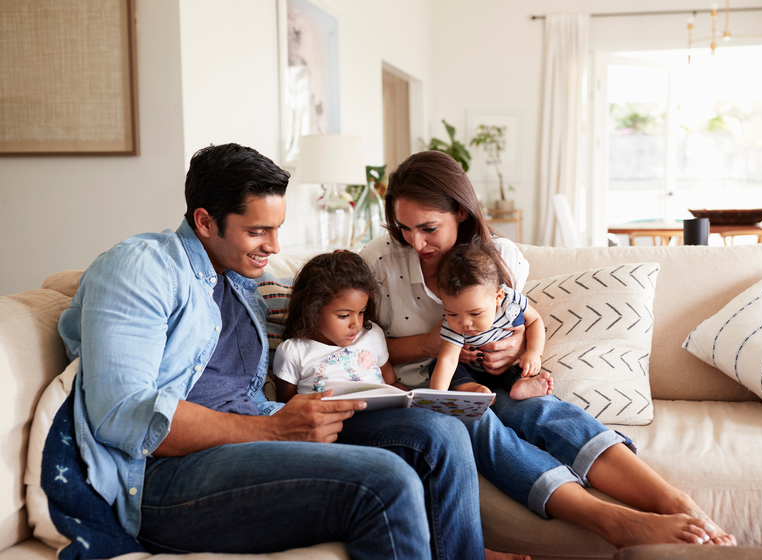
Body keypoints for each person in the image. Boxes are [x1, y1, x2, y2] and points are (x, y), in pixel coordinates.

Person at [58, 143, 517, 560]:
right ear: (203, 221)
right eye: (258, 231)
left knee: (441, 433)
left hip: (262, 428)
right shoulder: (142, 267)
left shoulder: (239, 281)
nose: (274, 248)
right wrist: (274, 428)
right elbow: (120, 414)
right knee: (386, 481)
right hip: (167, 476)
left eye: (277, 230)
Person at [360, 150, 738, 548]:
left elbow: (518, 321)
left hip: (492, 377)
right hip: (426, 390)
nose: (415, 242)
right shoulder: (380, 261)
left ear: (460, 212)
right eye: (404, 228)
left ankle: (677, 502)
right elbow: (359, 348)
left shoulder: (498, 257)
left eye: (428, 228)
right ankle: (611, 521)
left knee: (543, 410)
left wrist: (515, 349)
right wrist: (428, 343)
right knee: (474, 423)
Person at [272, 250, 406, 400]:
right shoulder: (293, 352)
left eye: (361, 312)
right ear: (312, 310)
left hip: (383, 414)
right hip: (333, 420)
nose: (356, 324)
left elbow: (391, 383)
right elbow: (287, 406)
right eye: (344, 316)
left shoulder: (372, 334)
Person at [431, 236, 552, 400]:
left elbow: (535, 320)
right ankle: (472, 388)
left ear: (498, 297)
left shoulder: (509, 303)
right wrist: (436, 398)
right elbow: (448, 361)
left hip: (507, 366)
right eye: (452, 314)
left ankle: (521, 385)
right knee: (437, 367)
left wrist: (533, 352)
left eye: (475, 313)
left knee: (522, 367)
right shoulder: (452, 325)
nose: (465, 323)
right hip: (472, 372)